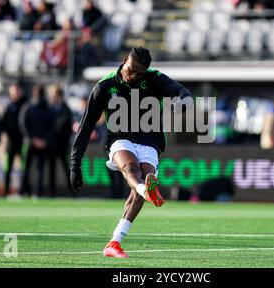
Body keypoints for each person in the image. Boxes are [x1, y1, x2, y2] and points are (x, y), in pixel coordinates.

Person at [70, 47, 192, 258]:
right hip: (120, 139)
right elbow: (86, 126)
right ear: (125, 60)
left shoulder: (154, 79)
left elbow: (184, 93)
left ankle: (114, 243)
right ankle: (147, 191)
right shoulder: (105, 85)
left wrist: (181, 104)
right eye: (132, 70)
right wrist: (75, 163)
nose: (134, 76)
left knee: (140, 187)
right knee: (131, 168)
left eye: (140, 73)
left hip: (150, 141)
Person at [19, 85, 54, 197]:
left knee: (26, 168)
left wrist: (32, 138)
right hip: (43, 144)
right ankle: (38, 192)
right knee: (40, 169)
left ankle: (24, 191)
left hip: (29, 142)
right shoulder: (48, 108)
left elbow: (23, 124)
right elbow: (51, 127)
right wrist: (43, 140)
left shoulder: (28, 107)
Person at [2, 82, 27, 197]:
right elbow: (3, 123)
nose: (15, 94)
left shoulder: (25, 105)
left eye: (16, 91)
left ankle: (23, 190)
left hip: (23, 141)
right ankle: (6, 190)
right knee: (8, 167)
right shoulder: (9, 106)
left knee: (24, 167)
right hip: (11, 142)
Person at [47, 85, 73, 197]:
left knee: (66, 168)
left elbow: (65, 124)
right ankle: (51, 192)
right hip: (52, 144)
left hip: (62, 144)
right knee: (51, 169)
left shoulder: (66, 109)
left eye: (55, 96)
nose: (53, 98)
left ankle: (71, 191)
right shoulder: (49, 108)